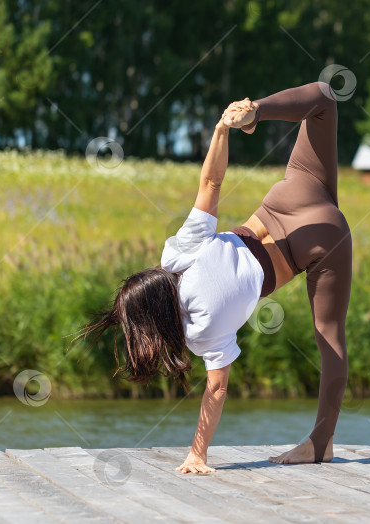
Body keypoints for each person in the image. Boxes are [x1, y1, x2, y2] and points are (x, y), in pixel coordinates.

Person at [77, 81, 352, 473]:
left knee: (330, 336)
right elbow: (211, 183)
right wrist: (225, 128)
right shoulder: (176, 257)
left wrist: (198, 453)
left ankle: (320, 445)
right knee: (325, 97)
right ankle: (257, 110)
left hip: (319, 244)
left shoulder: (201, 331)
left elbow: (217, 388)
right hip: (293, 196)